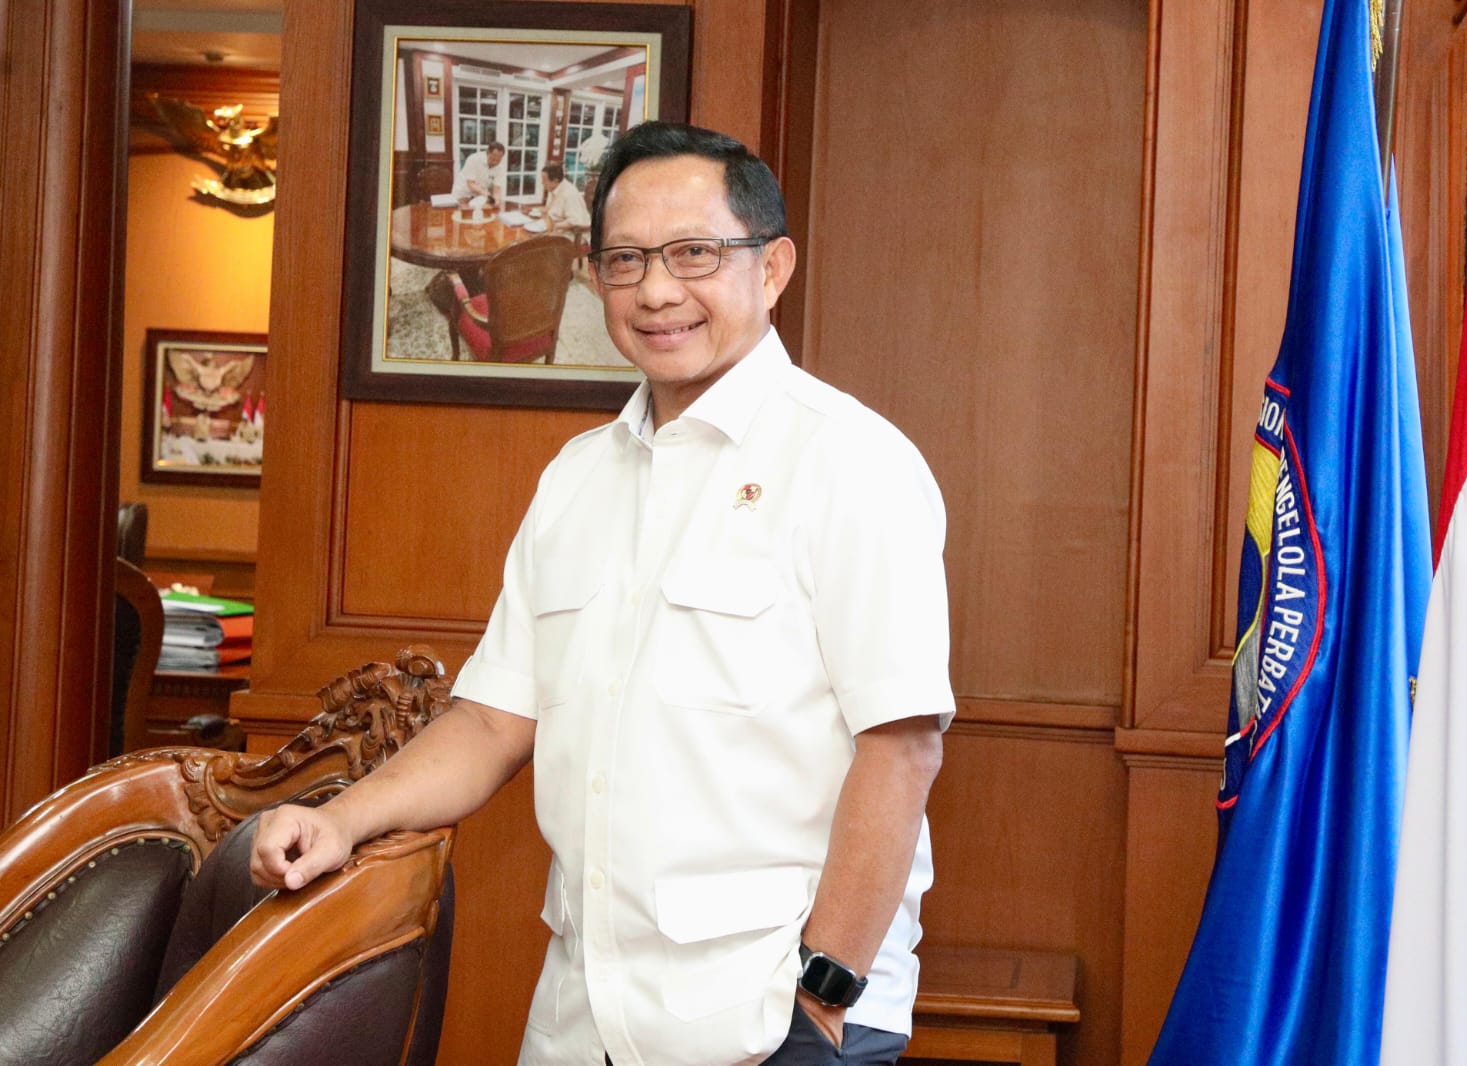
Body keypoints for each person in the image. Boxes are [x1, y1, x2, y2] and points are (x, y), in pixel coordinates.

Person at [252, 120, 953, 1066]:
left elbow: (900, 748)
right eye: (626, 260)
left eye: (695, 253)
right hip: (584, 1017)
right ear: (594, 277)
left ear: (773, 267)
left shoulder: (852, 462)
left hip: (774, 1019)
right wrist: (340, 818)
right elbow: (493, 720)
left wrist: (822, 1001)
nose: (657, 291)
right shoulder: (576, 478)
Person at [538, 161, 591, 239]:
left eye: (544, 180)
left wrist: (553, 226)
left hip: (575, 234)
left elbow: (574, 221)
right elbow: (551, 210)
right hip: (557, 229)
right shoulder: (553, 188)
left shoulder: (569, 194)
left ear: (555, 180)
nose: (542, 183)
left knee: (536, 243)